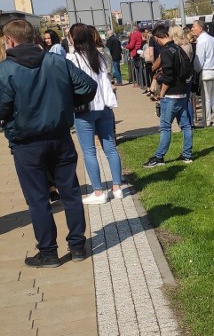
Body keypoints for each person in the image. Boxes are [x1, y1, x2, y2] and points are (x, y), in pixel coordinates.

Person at [0, 19, 97, 267]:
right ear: (34, 38)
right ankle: (77, 246)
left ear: (9, 40)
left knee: (38, 199)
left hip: (27, 143)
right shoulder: (56, 60)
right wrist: (65, 101)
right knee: (71, 193)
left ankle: (49, 252)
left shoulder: (6, 70)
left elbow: (2, 108)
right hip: (59, 137)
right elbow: (88, 86)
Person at [66, 23, 124, 204]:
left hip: (85, 109)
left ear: (73, 39)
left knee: (89, 151)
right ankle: (117, 188)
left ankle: (98, 192)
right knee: (110, 148)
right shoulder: (97, 56)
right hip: (104, 107)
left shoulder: (72, 59)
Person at [144, 25, 193, 167]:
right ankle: (187, 154)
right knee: (185, 125)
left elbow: (168, 77)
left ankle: (159, 157)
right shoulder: (178, 48)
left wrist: (161, 94)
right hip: (182, 92)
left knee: (165, 127)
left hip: (171, 95)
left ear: (158, 38)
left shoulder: (166, 51)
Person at [192, 20, 214, 126]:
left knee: (207, 97)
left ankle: (207, 120)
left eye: (194, 27)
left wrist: (196, 69)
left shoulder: (201, 41)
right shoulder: (213, 39)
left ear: (200, 28)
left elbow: (199, 60)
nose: (192, 29)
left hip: (207, 71)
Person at [125, 23, 144, 87]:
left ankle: (139, 83)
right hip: (140, 51)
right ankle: (142, 82)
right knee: (141, 68)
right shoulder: (140, 34)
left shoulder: (134, 35)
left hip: (135, 52)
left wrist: (126, 46)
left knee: (137, 68)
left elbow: (131, 45)